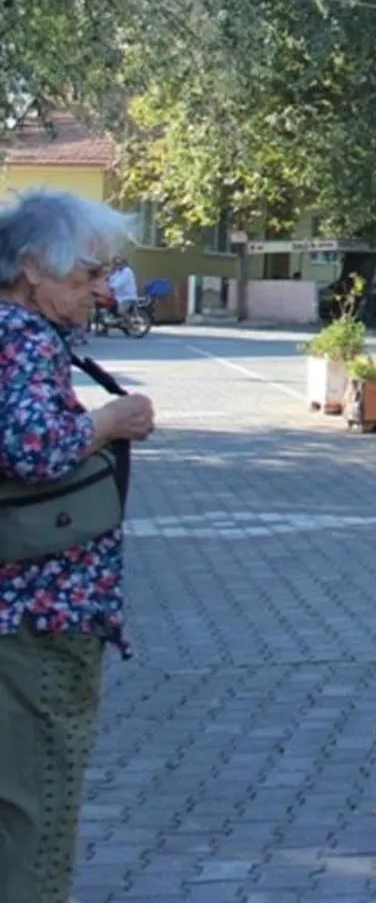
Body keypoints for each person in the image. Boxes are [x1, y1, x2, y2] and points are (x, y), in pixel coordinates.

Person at [0, 190, 157, 903]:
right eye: (88, 274)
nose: (101, 290)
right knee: (39, 804)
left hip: (24, 613)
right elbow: (36, 448)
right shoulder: (23, 338)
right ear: (33, 267)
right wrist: (111, 421)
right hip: (39, 616)